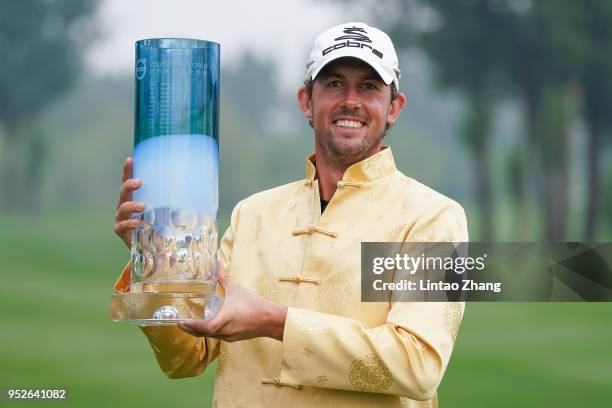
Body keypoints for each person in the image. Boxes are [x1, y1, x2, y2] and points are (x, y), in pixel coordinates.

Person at [113, 22, 468, 408]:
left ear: (394, 107)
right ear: (306, 101)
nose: (351, 100)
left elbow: (417, 366)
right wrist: (157, 263)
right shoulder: (253, 214)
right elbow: (185, 357)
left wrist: (276, 322)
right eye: (333, 84)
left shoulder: (433, 217)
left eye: (368, 86)